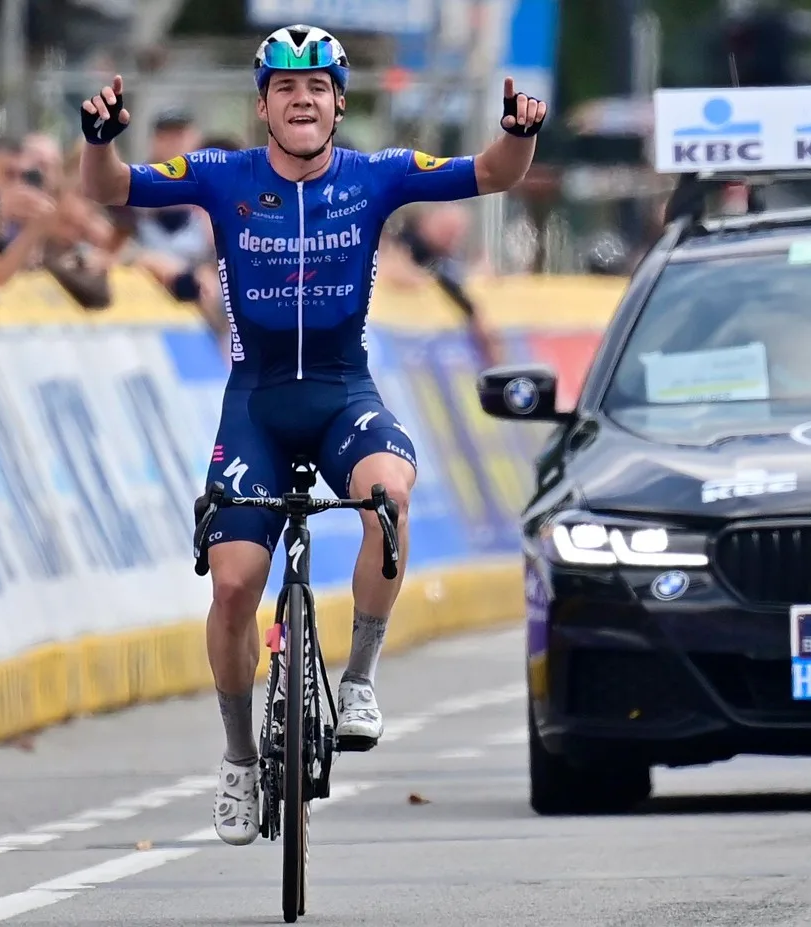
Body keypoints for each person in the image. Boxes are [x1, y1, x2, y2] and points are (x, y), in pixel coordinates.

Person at [77, 23, 545, 847]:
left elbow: (493, 174)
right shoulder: (223, 176)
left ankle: (359, 679)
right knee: (231, 588)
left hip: (340, 395)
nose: (302, 100)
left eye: (318, 87)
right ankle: (236, 758)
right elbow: (113, 190)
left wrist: (519, 133)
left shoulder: (378, 175)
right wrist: (98, 141)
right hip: (255, 403)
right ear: (262, 105)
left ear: (338, 104)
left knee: (388, 495)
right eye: (286, 88)